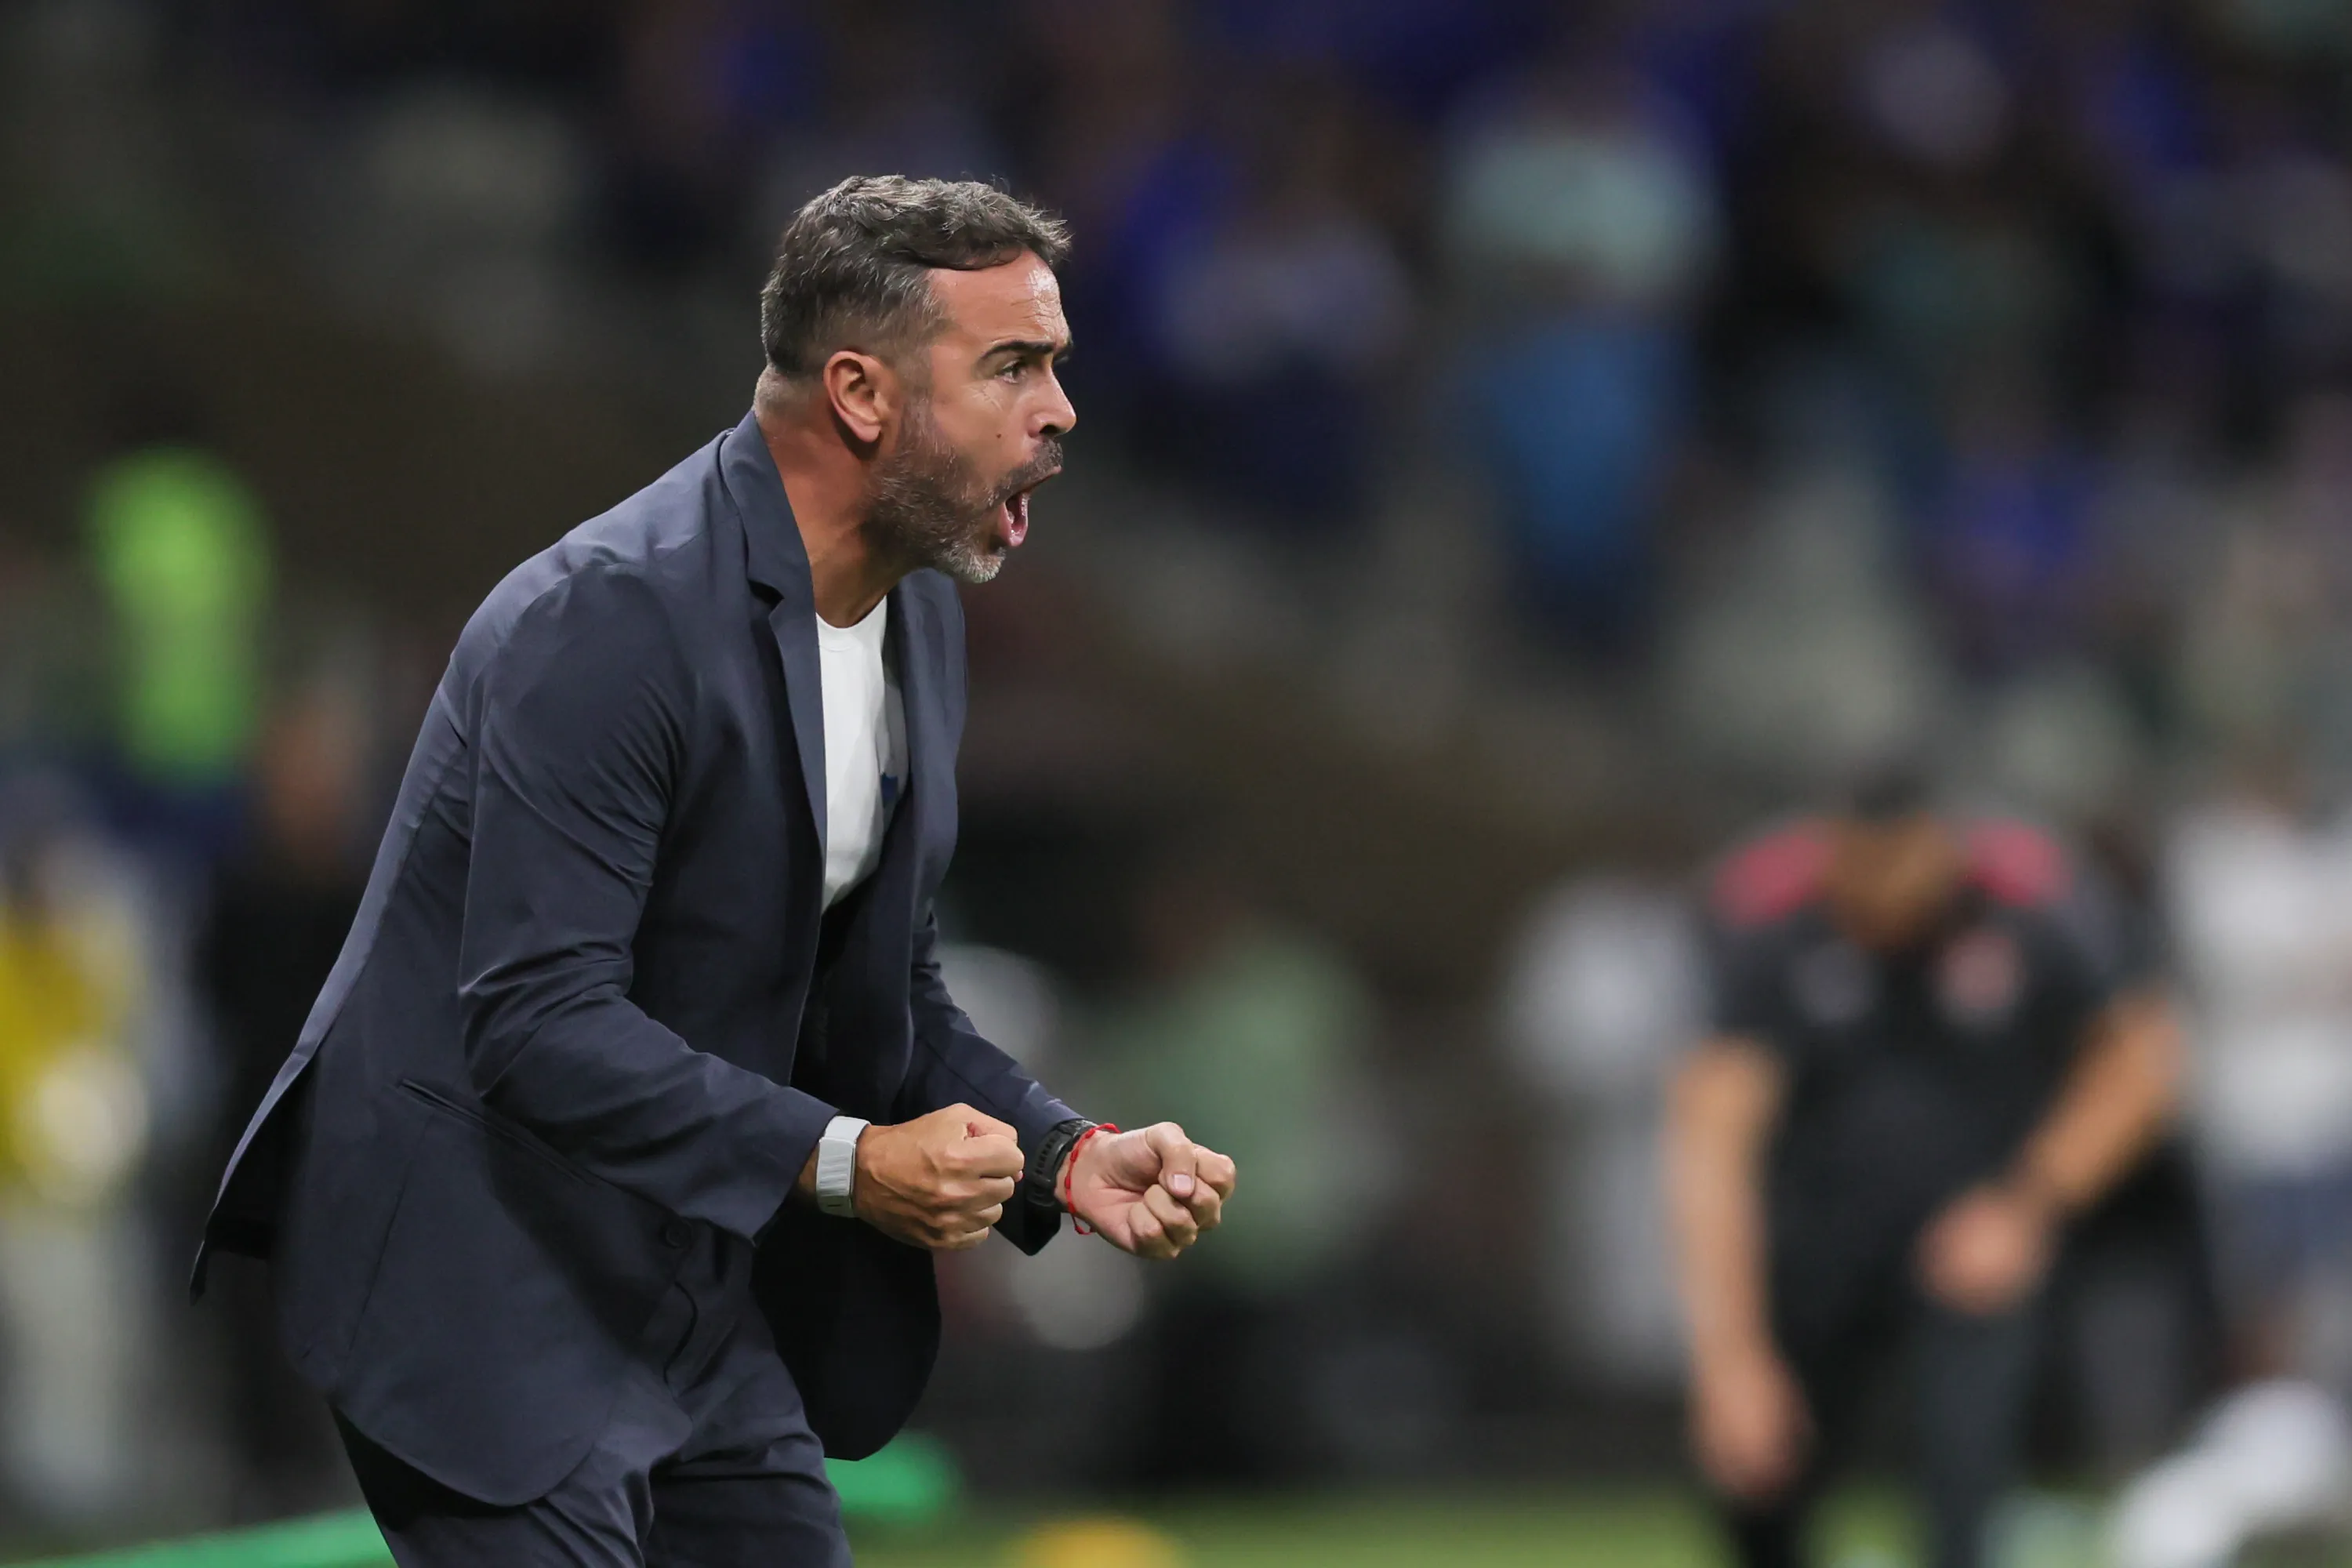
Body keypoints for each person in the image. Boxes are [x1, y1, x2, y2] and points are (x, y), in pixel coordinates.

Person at [195, 176, 1239, 1568]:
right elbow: (537, 1020)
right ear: (862, 394)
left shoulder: (914, 614)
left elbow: (890, 994)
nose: (1057, 411)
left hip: (691, 1269)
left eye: (1053, 365)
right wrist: (854, 1164)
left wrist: (1067, 1153)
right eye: (1011, 367)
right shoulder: (607, 621)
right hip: (482, 1280)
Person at [1665, 777, 2182, 1568]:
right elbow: (1709, 1143)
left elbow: (2143, 1063)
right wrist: (1729, 1356)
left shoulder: (2029, 896)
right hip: (1812, 1246)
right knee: (1757, 1494)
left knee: (1962, 1505)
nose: (1877, 896)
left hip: (1969, 1245)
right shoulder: (1766, 916)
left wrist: (2026, 1204)